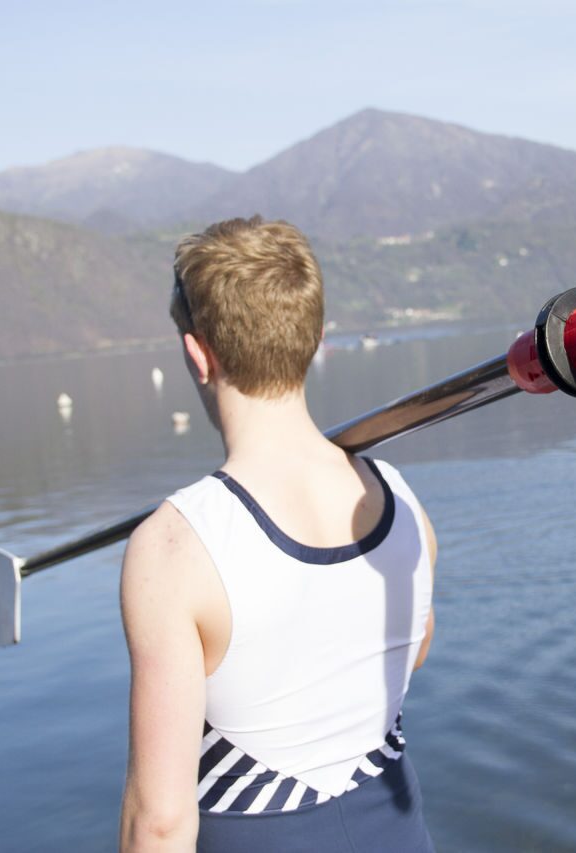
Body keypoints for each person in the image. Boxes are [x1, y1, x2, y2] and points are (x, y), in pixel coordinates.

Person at [119, 217, 437, 852]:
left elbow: (160, 820)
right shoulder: (404, 500)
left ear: (196, 354)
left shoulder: (175, 546)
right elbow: (412, 650)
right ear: (314, 339)